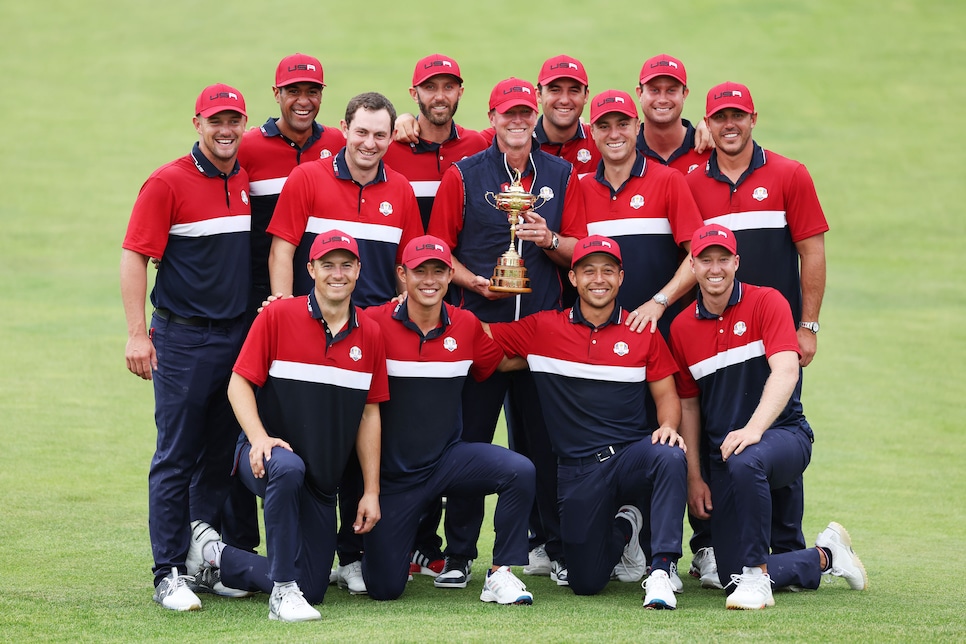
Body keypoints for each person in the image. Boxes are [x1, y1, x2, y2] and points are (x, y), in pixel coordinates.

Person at [428, 77, 586, 588]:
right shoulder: (465, 174)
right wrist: (472, 281)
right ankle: (459, 553)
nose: (516, 122)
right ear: (491, 119)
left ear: (534, 114)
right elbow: (436, 249)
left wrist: (549, 239)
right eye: (507, 114)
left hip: (542, 332)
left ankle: (553, 546)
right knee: (469, 442)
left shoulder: (562, 175)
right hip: (481, 331)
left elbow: (579, 253)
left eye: (524, 113)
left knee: (547, 444)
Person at [186, 231, 388, 622]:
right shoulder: (278, 315)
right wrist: (259, 438)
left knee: (312, 588)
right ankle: (281, 592)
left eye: (346, 265)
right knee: (288, 465)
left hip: (320, 483)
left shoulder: (372, 335)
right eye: (327, 265)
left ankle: (214, 555)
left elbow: (369, 414)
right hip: (263, 458)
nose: (337, 273)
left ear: (359, 270)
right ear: (310, 269)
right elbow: (238, 382)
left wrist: (372, 490)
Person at [669, 223, 866, 609]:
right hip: (725, 455)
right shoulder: (680, 328)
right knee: (728, 574)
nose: (714, 268)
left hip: (784, 436)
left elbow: (787, 370)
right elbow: (689, 406)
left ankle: (758, 577)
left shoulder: (768, 301)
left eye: (723, 259)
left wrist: (754, 428)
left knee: (747, 457)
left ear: (736, 262)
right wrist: (695, 476)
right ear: (691, 266)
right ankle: (826, 556)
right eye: (705, 260)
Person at [486, 235, 688, 609]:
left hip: (630, 456)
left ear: (621, 277)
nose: (599, 279)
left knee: (670, 454)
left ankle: (661, 570)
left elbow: (666, 397)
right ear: (573, 279)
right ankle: (628, 523)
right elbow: (480, 335)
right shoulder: (544, 328)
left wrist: (668, 426)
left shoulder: (641, 329)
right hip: (579, 471)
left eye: (608, 271)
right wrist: (422, 306)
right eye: (589, 271)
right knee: (586, 581)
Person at [120, 83, 251, 611]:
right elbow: (135, 256)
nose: (225, 131)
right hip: (181, 338)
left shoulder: (241, 177)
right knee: (175, 456)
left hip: (234, 338)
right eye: (216, 121)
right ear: (197, 122)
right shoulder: (167, 182)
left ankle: (197, 556)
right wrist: (136, 333)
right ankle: (167, 571)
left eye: (233, 121)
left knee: (219, 454)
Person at [360, 235, 536, 604]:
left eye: (438, 271)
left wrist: (556, 356)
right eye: (419, 271)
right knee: (384, 589)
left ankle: (500, 572)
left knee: (519, 470)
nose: (429, 279)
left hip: (447, 462)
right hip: (394, 479)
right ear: (402, 274)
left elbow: (499, 362)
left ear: (450, 273)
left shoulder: (466, 323)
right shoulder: (371, 322)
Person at [687, 81, 828, 368]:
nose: (729, 125)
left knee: (781, 413)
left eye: (737, 116)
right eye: (720, 118)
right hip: (713, 338)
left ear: (753, 119)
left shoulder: (791, 175)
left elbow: (812, 253)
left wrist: (808, 326)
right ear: (707, 124)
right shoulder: (690, 185)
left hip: (778, 335)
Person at [267, 91, 422, 304]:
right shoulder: (306, 178)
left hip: (377, 325)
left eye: (379, 135)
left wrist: (409, 300)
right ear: (345, 129)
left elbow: (405, 264)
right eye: (361, 132)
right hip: (315, 321)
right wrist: (284, 310)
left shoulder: (402, 189)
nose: (369, 144)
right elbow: (281, 253)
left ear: (392, 137)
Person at [582, 89, 704, 338]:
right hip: (596, 338)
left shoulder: (669, 180)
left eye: (623, 124)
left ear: (638, 127)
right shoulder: (578, 187)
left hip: (658, 335)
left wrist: (659, 302)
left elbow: (699, 253)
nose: (614, 134)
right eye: (604, 126)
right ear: (592, 132)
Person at [239, 52, 346, 320]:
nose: (303, 101)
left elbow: (377, 141)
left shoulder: (338, 144)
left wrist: (405, 119)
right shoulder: (248, 146)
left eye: (312, 91)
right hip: (259, 290)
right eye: (293, 91)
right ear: (277, 93)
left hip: (325, 287)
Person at [383, 54, 488, 232]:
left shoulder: (477, 145)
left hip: (460, 260)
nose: (440, 97)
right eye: (430, 87)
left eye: (448, 87)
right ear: (414, 94)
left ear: (460, 93)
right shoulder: (389, 148)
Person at [635, 53, 711, 176]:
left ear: (684, 94)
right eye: (654, 90)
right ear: (640, 93)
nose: (663, 99)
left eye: (671, 90)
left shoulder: (710, 147)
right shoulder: (625, 152)